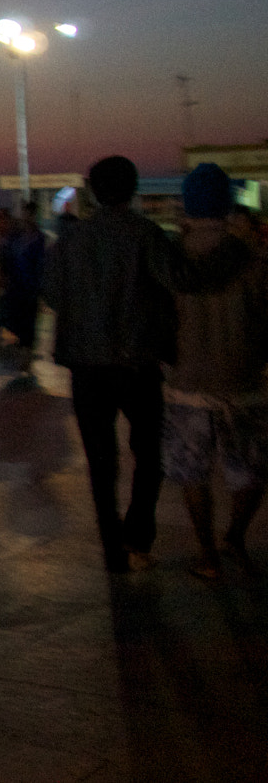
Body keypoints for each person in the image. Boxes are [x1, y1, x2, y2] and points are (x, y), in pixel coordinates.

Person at [42, 155, 252, 572]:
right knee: (149, 456)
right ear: (133, 189)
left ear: (94, 192)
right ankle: (138, 536)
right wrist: (234, 250)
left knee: (101, 463)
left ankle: (112, 550)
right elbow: (185, 279)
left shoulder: (68, 242)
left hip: (86, 369)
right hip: (137, 366)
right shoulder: (146, 235)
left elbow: (52, 296)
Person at [163, 165, 267, 579]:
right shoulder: (254, 259)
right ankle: (235, 538)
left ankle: (207, 555)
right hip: (243, 383)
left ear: (188, 204)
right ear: (226, 203)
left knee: (194, 473)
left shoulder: (173, 260)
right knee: (251, 472)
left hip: (187, 384)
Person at [0, 202, 46, 375]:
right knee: (19, 320)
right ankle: (22, 354)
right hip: (17, 286)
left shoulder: (36, 237)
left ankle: (25, 356)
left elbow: (40, 264)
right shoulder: (20, 236)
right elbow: (6, 256)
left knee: (28, 321)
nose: (26, 217)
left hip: (28, 287)